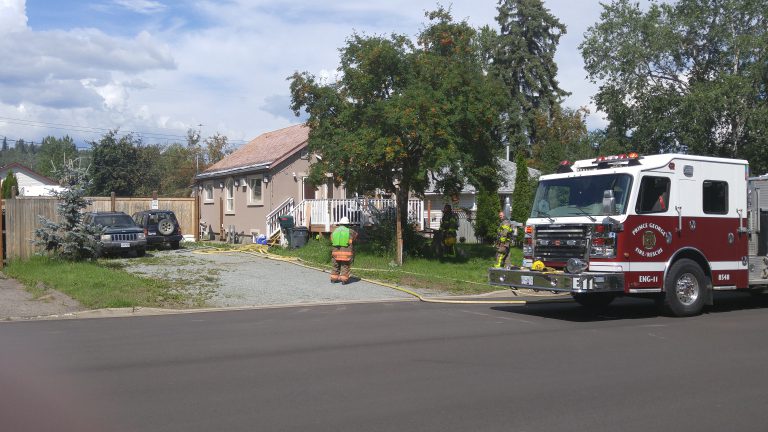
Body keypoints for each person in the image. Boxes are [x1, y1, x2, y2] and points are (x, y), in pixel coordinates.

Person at [330, 216, 358, 284]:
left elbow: (331, 239)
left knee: (335, 265)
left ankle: (333, 279)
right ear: (347, 224)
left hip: (335, 253)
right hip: (346, 253)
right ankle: (344, 280)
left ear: (340, 223)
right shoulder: (350, 231)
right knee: (345, 265)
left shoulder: (335, 231)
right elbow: (355, 237)